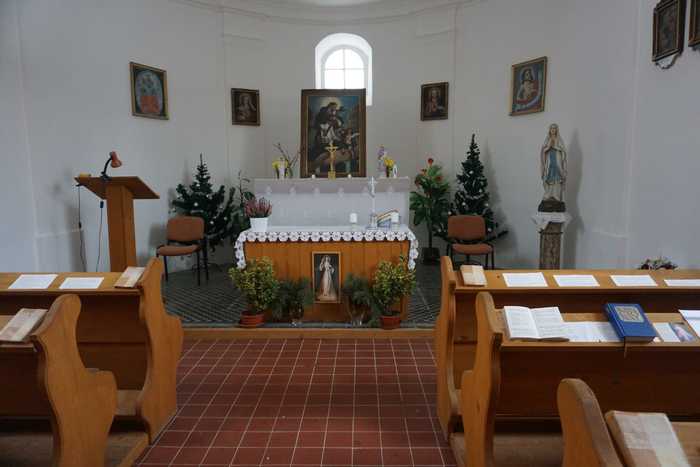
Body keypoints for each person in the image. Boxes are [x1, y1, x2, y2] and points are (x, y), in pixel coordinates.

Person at [540, 123, 567, 202]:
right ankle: (548, 194)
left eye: (554, 128)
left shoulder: (559, 139)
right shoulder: (547, 139)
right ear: (550, 130)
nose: (553, 130)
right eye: (551, 128)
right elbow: (543, 151)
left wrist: (556, 147)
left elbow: (563, 151)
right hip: (549, 161)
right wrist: (548, 147)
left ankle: (556, 195)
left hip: (557, 160)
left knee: (557, 177)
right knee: (549, 176)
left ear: (556, 130)